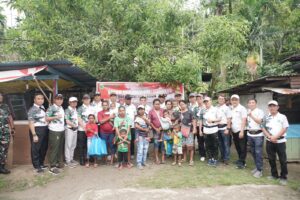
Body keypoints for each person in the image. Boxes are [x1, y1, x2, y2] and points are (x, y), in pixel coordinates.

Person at [262, 100, 289, 185]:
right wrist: (270, 137)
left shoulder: (282, 117)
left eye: (274, 106)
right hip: (270, 141)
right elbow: (262, 127)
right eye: (270, 106)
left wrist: (275, 137)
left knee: (282, 160)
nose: (272, 107)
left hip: (280, 141)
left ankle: (283, 177)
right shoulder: (266, 117)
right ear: (268, 108)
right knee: (271, 159)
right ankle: (274, 175)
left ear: (277, 107)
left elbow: (285, 128)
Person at [27, 93, 48, 173]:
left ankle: (41, 163)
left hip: (44, 129)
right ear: (34, 100)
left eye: (42, 98)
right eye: (38, 98)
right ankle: (36, 166)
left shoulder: (42, 107)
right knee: (36, 148)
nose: (40, 100)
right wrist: (34, 134)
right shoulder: (32, 109)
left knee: (43, 147)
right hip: (37, 130)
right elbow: (31, 122)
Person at [46, 94, 65, 175]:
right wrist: (56, 117)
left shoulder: (61, 107)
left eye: (61, 99)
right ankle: (52, 166)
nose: (59, 100)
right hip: (54, 130)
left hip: (61, 130)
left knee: (60, 148)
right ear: (54, 100)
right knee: (54, 148)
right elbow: (46, 118)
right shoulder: (51, 108)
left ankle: (57, 163)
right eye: (58, 99)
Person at [200, 97, 221, 167]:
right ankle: (210, 158)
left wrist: (212, 121)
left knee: (215, 145)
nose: (206, 103)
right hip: (206, 130)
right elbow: (200, 120)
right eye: (205, 102)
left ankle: (215, 159)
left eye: (207, 101)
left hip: (214, 129)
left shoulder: (216, 109)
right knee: (207, 146)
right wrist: (200, 130)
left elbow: (220, 119)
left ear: (211, 101)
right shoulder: (202, 110)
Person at [247, 99, 264, 178]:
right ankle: (257, 167)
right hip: (250, 134)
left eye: (253, 102)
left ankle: (260, 170)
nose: (251, 104)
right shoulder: (248, 112)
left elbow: (260, 122)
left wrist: (251, 115)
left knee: (258, 152)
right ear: (248, 104)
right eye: (250, 103)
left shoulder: (260, 111)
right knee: (253, 152)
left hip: (258, 135)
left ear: (256, 104)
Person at [77, 94, 96, 165]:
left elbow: (95, 118)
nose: (86, 100)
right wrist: (85, 127)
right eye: (85, 99)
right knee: (82, 145)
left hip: (91, 130)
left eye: (87, 99)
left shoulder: (92, 107)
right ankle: (82, 159)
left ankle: (90, 157)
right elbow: (79, 119)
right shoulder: (80, 108)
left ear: (90, 99)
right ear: (82, 100)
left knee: (90, 144)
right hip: (82, 129)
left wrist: (92, 127)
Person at [230, 94, 248, 169]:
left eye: (236, 100)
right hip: (234, 131)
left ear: (238, 100)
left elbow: (244, 120)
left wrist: (241, 131)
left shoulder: (242, 108)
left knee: (242, 147)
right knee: (237, 146)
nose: (234, 101)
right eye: (233, 100)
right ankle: (240, 160)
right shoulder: (231, 108)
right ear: (231, 101)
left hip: (241, 130)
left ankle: (242, 162)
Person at [0, 93, 15, 174]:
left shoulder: (5, 106)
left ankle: (2, 167)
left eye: (1, 96)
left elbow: (10, 117)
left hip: (4, 132)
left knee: (4, 150)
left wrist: (12, 128)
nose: (0, 97)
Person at [179, 100, 197, 166]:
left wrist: (194, 128)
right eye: (180, 105)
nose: (182, 106)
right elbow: (178, 121)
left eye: (183, 104)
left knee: (190, 146)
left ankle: (191, 160)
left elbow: (194, 120)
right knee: (183, 146)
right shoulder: (179, 112)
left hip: (190, 131)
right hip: (182, 131)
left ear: (186, 104)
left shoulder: (190, 112)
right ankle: (184, 158)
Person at [98, 100, 116, 165]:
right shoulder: (100, 113)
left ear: (108, 105)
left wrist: (107, 118)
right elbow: (101, 122)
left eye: (106, 105)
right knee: (104, 146)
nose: (105, 106)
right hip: (103, 132)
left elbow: (115, 122)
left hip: (111, 132)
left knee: (112, 146)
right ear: (102, 106)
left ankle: (111, 161)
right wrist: (109, 117)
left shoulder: (112, 112)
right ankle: (105, 161)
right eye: (103, 105)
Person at [217, 94, 232, 165]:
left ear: (224, 100)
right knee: (220, 144)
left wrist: (228, 128)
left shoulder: (227, 108)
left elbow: (229, 119)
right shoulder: (217, 108)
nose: (220, 100)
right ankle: (222, 157)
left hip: (224, 128)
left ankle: (226, 159)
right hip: (217, 128)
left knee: (226, 144)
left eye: (222, 99)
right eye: (219, 99)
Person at [64, 97, 79, 168]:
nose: (74, 103)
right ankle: (68, 161)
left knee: (73, 145)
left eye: (75, 102)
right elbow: (67, 121)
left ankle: (71, 159)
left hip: (75, 129)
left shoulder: (75, 109)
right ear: (69, 102)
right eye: (72, 102)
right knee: (68, 145)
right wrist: (74, 125)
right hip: (69, 129)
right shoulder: (67, 110)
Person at [134, 105, 151, 170]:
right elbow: (136, 126)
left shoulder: (146, 117)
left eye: (142, 109)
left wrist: (145, 119)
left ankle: (144, 162)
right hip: (140, 136)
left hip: (146, 136)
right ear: (138, 110)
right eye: (140, 109)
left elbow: (149, 124)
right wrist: (144, 129)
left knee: (145, 149)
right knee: (140, 150)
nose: (141, 110)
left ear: (144, 110)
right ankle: (139, 163)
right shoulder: (137, 118)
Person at [149, 99, 165, 164]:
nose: (157, 105)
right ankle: (157, 158)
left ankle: (163, 158)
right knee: (156, 144)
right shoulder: (151, 112)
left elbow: (166, 119)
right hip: (155, 130)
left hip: (163, 130)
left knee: (163, 144)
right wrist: (155, 129)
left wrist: (161, 127)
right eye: (156, 104)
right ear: (153, 105)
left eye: (158, 104)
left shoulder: (163, 110)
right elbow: (150, 122)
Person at [193, 93, 206, 162]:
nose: (199, 100)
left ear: (203, 99)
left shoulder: (206, 107)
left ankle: (209, 154)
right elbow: (194, 119)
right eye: (197, 99)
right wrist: (194, 128)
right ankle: (202, 154)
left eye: (200, 98)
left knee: (207, 141)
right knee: (200, 141)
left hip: (207, 126)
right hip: (198, 127)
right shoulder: (195, 108)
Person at [124, 94, 137, 160]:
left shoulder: (133, 106)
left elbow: (135, 116)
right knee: (124, 139)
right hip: (124, 127)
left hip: (132, 126)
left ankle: (132, 153)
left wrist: (134, 124)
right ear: (125, 99)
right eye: (128, 99)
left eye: (130, 99)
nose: (129, 100)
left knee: (131, 140)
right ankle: (125, 153)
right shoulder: (123, 106)